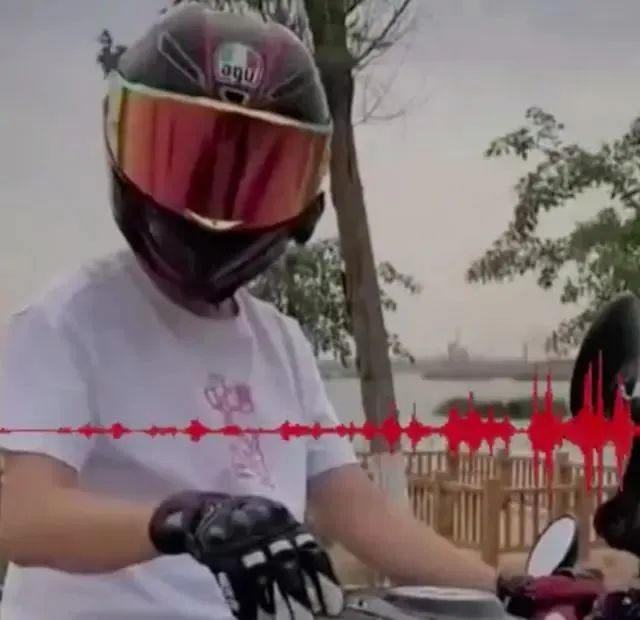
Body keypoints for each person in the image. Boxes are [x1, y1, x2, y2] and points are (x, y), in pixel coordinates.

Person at [0, 5, 497, 619]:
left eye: (255, 180)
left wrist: (506, 587)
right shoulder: (70, 320)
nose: (218, 211)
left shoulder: (280, 342)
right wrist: (180, 520)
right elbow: (25, 516)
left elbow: (359, 512)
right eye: (189, 167)